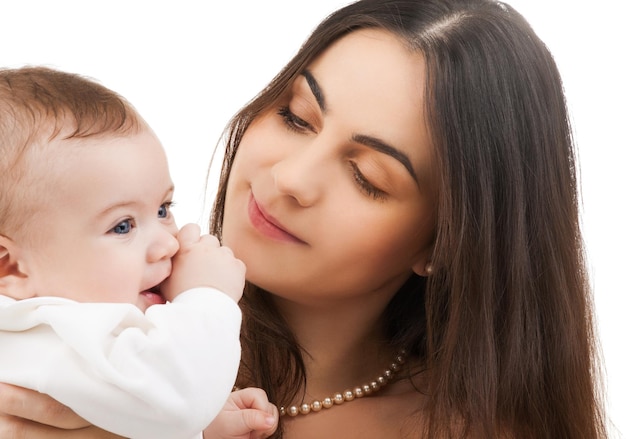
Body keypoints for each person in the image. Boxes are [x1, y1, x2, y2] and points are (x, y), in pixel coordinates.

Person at [0, 0, 608, 437]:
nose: (290, 178)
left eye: (368, 176)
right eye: (295, 116)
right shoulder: (67, 316)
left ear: (447, 241)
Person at [0, 66, 277, 439]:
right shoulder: (49, 331)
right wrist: (207, 296)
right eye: (122, 226)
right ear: (12, 268)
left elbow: (155, 409)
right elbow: (175, 401)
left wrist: (200, 425)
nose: (168, 243)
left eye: (163, 209)